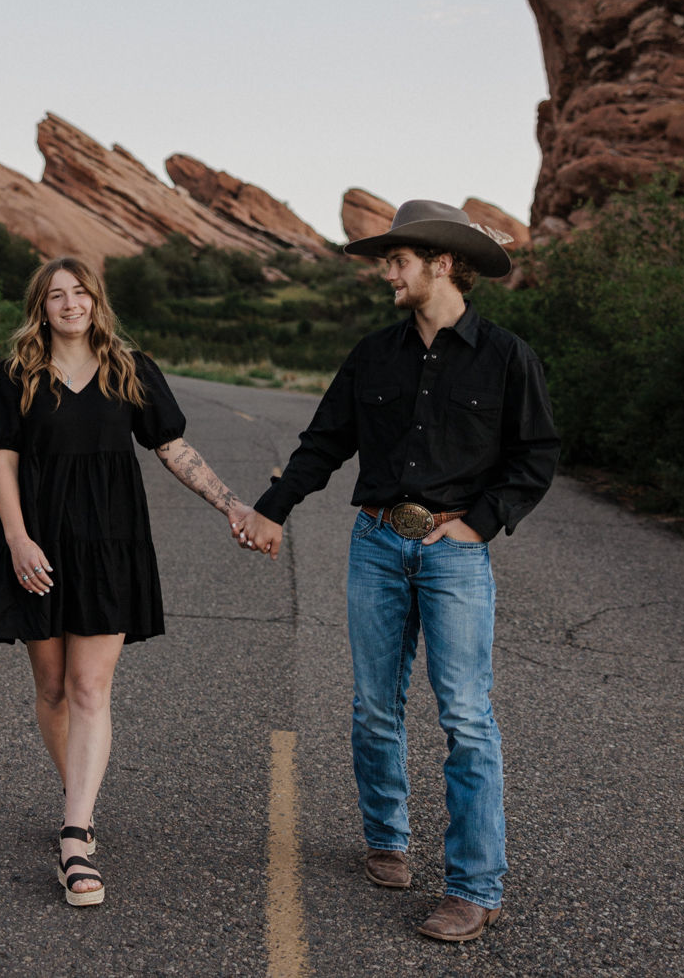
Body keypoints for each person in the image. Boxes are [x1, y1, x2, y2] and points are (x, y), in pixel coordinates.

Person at [234, 199, 559, 943]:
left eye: (398, 260)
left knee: (467, 718)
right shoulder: (373, 354)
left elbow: (536, 454)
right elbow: (323, 443)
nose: (388, 271)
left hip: (455, 554)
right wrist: (272, 509)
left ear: (442, 264)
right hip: (376, 543)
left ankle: (475, 889)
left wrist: (474, 526)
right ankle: (387, 837)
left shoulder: (507, 356)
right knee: (374, 706)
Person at [0, 254, 252, 907]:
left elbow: (173, 448)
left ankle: (75, 834)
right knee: (52, 689)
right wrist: (15, 538)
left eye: (80, 293)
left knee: (90, 687)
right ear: (41, 306)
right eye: (56, 295)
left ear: (96, 301)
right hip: (35, 541)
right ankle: (79, 795)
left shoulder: (131, 369)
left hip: (109, 543)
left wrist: (230, 503)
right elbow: (3, 460)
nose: (70, 304)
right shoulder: (17, 374)